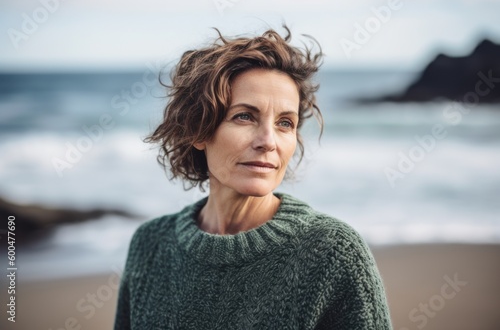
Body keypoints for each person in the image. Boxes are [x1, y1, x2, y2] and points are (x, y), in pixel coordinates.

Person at [113, 26, 393, 329]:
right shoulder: (150, 246)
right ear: (198, 129)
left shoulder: (334, 254)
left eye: (285, 123)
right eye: (244, 116)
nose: (268, 141)